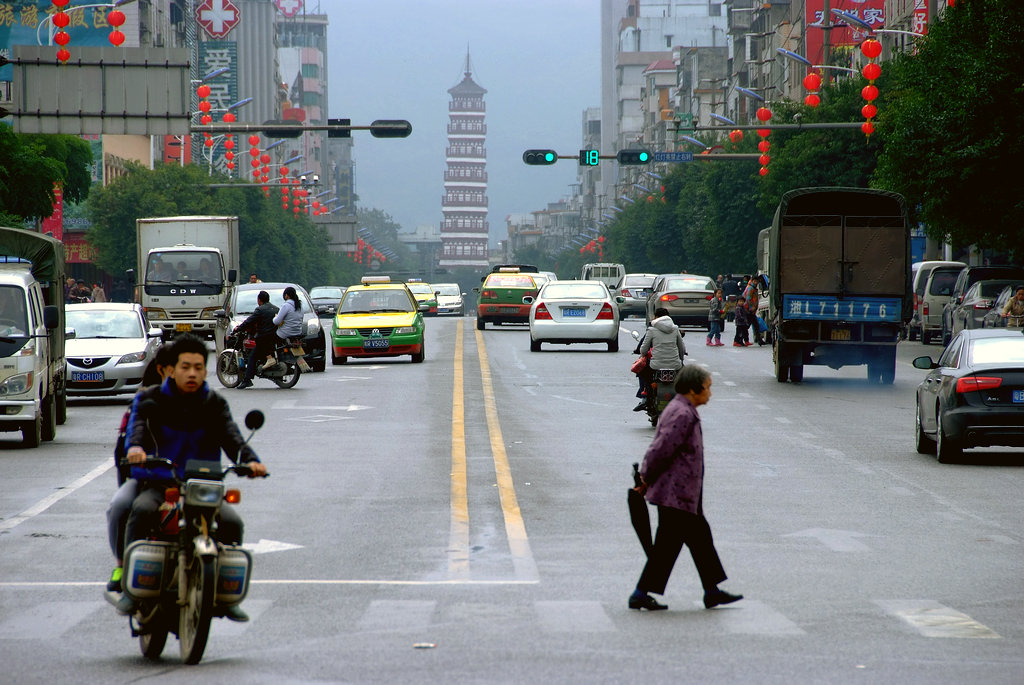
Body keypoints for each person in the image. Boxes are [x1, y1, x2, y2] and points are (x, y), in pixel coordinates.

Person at [116, 334, 266, 620]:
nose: (192, 373)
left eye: (198, 367)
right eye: (186, 367)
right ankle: (128, 586)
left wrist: (251, 462)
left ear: (205, 371)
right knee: (141, 510)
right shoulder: (151, 400)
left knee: (232, 523)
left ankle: (223, 594)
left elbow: (232, 438)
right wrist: (135, 448)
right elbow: (137, 431)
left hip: (203, 486)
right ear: (172, 368)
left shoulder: (214, 404)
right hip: (161, 482)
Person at [629, 364, 742, 611]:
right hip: (675, 494)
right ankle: (640, 593)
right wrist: (645, 479)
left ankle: (711, 590)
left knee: (700, 539)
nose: (710, 393)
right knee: (667, 548)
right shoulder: (682, 414)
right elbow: (660, 449)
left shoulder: (684, 409)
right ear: (693, 389)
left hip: (685, 493)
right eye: (708, 388)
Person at [105, 344, 176, 595]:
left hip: (190, 481)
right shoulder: (143, 402)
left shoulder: (204, 402)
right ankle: (123, 565)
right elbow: (126, 445)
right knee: (120, 507)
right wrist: (136, 457)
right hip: (150, 480)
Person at [637, 307, 686, 412]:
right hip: (675, 365)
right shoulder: (675, 329)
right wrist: (680, 360)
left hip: (656, 365)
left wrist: (642, 354)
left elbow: (643, 349)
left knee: (641, 372)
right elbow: (682, 348)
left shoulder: (651, 330)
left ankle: (644, 397)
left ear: (656, 317)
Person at [235, 290, 279, 389]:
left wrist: (239, 328)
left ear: (259, 300)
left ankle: (247, 380)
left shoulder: (260, 310)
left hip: (263, 338)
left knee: (252, 357)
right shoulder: (276, 309)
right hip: (275, 337)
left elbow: (249, 321)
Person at [265, 285, 303, 372]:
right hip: (297, 333)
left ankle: (271, 359)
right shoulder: (299, 306)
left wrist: (274, 318)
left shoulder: (286, 306)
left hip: (285, 333)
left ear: (286, 295)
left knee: (266, 340)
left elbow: (277, 321)